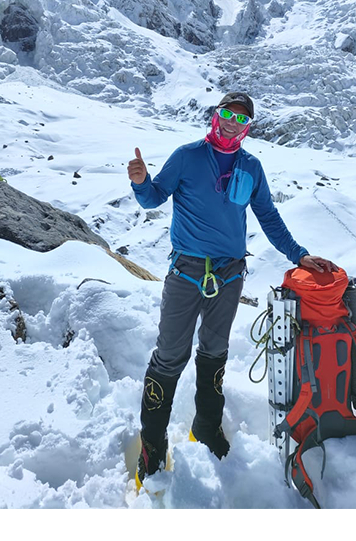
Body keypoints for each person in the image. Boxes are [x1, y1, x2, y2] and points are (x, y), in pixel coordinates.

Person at [127, 92, 339, 478]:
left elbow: (268, 217)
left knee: (215, 352)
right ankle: (153, 446)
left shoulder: (250, 167)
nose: (231, 122)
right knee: (170, 356)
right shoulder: (187, 156)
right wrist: (142, 183)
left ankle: (205, 427)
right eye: (226, 114)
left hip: (229, 276)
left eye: (240, 119)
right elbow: (154, 197)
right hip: (186, 273)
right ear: (215, 116)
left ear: (248, 127)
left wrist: (299, 255)